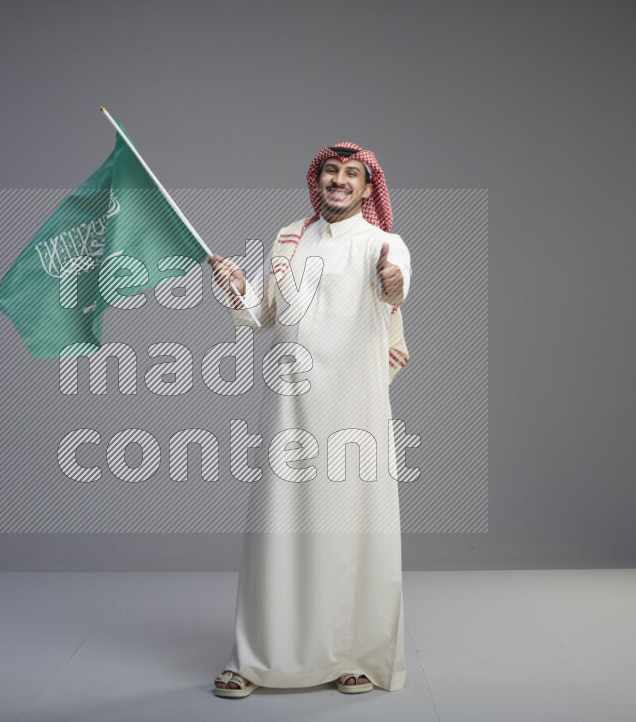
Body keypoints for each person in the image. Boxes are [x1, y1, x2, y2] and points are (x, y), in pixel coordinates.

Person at [208, 142, 411, 698]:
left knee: (351, 532)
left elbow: (396, 288)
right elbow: (264, 314)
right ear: (317, 180)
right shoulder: (287, 239)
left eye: (352, 175)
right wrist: (237, 285)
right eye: (331, 172)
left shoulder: (384, 244)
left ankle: (354, 658)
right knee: (279, 532)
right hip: (290, 408)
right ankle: (254, 659)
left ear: (369, 189)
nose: (339, 181)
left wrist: (392, 284)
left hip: (354, 411)